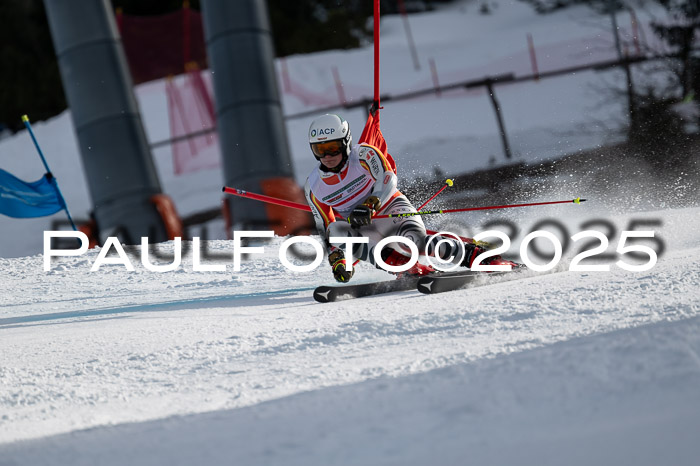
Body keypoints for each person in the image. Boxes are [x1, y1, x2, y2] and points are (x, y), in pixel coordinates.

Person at [303, 114, 514, 283]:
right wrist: (338, 258)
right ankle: (408, 268)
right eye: (320, 150)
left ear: (346, 142)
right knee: (339, 232)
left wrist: (370, 203)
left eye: (332, 148)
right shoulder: (314, 186)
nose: (327, 156)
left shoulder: (364, 155)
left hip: (392, 209)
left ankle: (482, 257)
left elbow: (387, 179)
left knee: (415, 243)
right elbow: (325, 225)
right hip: (363, 227)